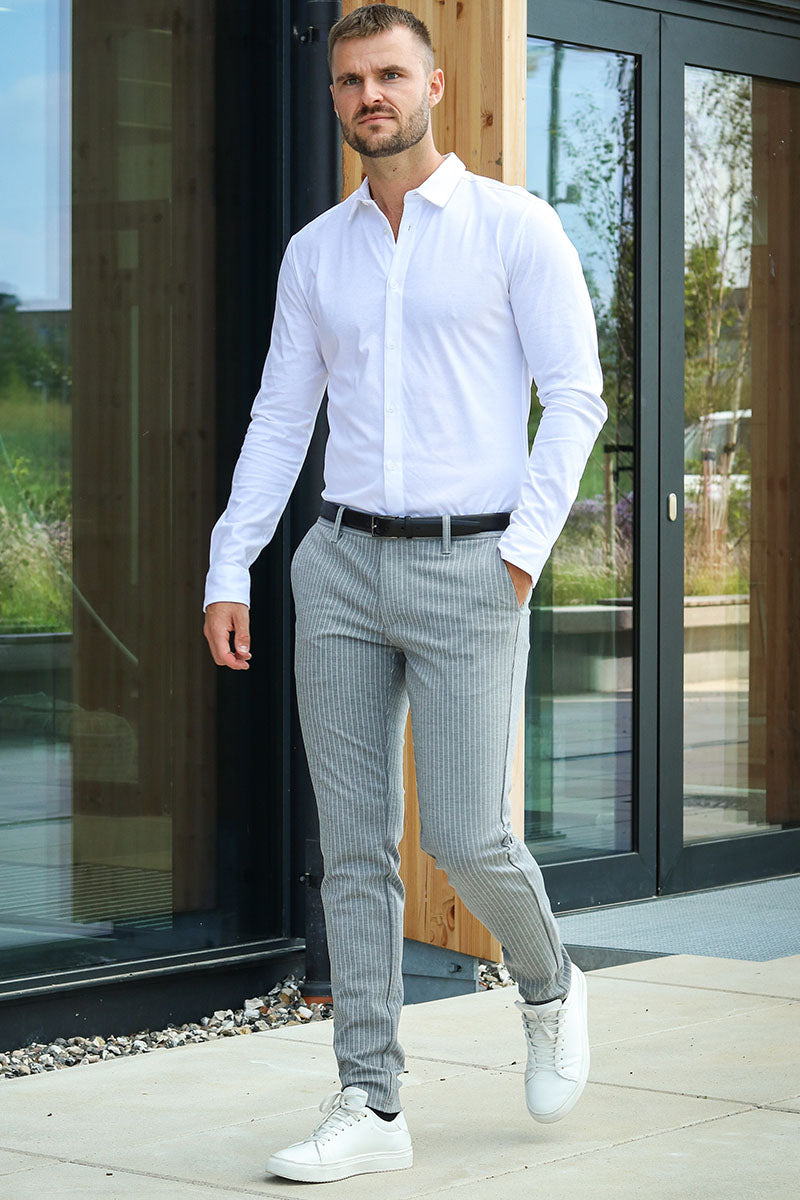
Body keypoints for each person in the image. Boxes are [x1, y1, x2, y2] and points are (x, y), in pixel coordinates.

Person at [203, 4, 606, 1185]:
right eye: (348, 80)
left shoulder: (512, 228)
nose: (367, 95)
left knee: (469, 836)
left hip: (470, 564)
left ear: (431, 85)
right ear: (333, 96)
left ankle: (547, 982)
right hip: (337, 565)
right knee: (353, 849)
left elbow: (574, 396)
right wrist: (232, 563)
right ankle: (371, 1102)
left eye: (388, 74)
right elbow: (280, 418)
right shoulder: (314, 253)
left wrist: (520, 553)